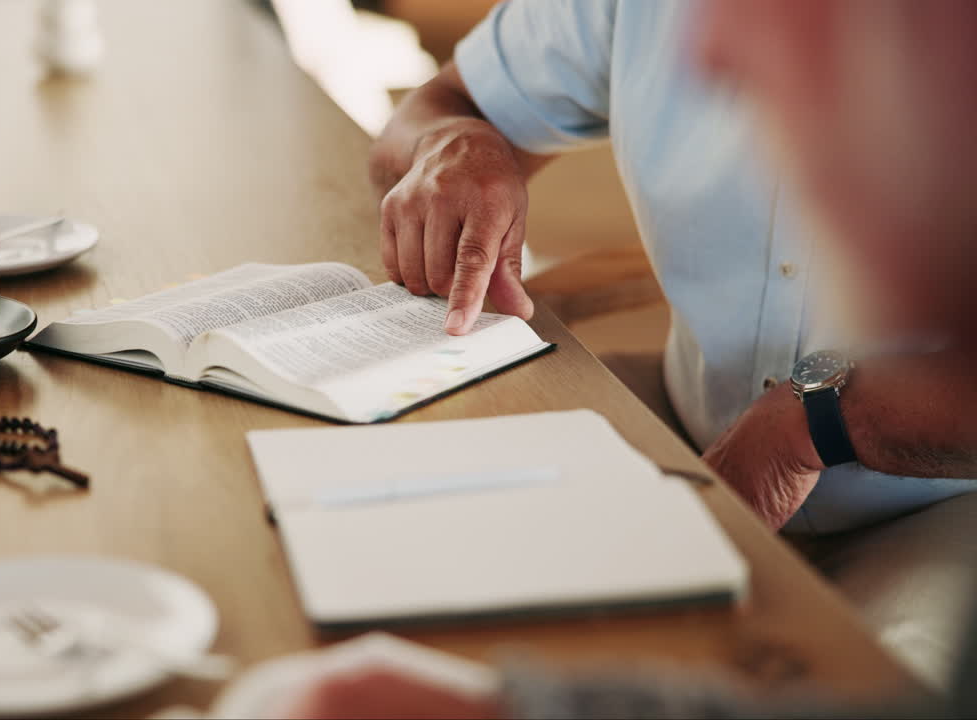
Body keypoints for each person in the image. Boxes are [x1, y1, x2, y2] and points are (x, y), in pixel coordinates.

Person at [359, 0, 977, 691]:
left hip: (939, 499)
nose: (712, 55)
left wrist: (814, 422)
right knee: (405, 543)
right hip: (685, 423)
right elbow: (437, 107)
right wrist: (453, 143)